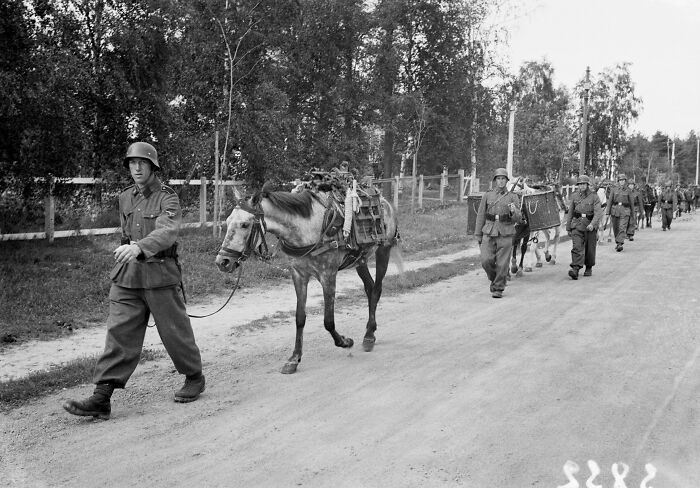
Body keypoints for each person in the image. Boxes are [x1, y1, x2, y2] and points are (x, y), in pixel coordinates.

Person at [63, 142, 205, 420]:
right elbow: (126, 234)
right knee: (119, 333)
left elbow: (167, 232)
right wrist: (128, 249)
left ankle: (195, 377)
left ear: (153, 167)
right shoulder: (125, 197)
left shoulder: (168, 198)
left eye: (142, 163)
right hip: (127, 275)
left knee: (175, 332)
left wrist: (139, 247)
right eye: (132, 163)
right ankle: (102, 397)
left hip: (160, 274)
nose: (137, 168)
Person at [474, 168, 522, 298]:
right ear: (495, 181)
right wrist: (478, 234)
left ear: (507, 181)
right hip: (489, 231)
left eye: (503, 179)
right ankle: (495, 279)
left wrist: (513, 211)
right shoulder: (488, 195)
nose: (501, 181)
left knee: (502, 263)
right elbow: (480, 215)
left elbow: (518, 219)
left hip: (506, 232)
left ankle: (498, 288)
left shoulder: (513, 197)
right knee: (485, 260)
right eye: (498, 179)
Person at [565, 175, 602, 279]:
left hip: (589, 225)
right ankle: (575, 269)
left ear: (587, 185)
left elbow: (598, 212)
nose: (581, 186)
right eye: (580, 184)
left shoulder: (594, 196)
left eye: (583, 184)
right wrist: (568, 227)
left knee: (590, 248)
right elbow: (570, 212)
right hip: (576, 224)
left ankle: (589, 267)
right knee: (576, 247)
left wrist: (593, 224)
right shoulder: (575, 196)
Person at [605, 173, 635, 252]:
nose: (622, 182)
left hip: (625, 211)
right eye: (620, 180)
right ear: (618, 181)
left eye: (623, 180)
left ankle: (620, 244)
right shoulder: (614, 189)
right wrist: (607, 212)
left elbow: (632, 203)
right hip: (615, 210)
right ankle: (618, 241)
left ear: (625, 181)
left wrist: (633, 215)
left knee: (622, 227)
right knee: (616, 228)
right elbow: (610, 201)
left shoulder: (628, 190)